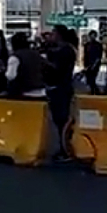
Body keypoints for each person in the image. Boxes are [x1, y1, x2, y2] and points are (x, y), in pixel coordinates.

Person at [43, 26, 78, 161]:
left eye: (52, 33)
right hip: (61, 87)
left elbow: (58, 69)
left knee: (62, 119)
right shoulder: (66, 49)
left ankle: (66, 149)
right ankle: (64, 148)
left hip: (60, 87)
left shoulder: (65, 50)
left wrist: (45, 63)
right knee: (60, 120)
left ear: (58, 35)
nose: (50, 36)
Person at [4, 31, 46, 98]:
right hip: (41, 92)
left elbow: (11, 76)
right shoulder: (37, 55)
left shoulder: (15, 57)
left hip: (24, 94)